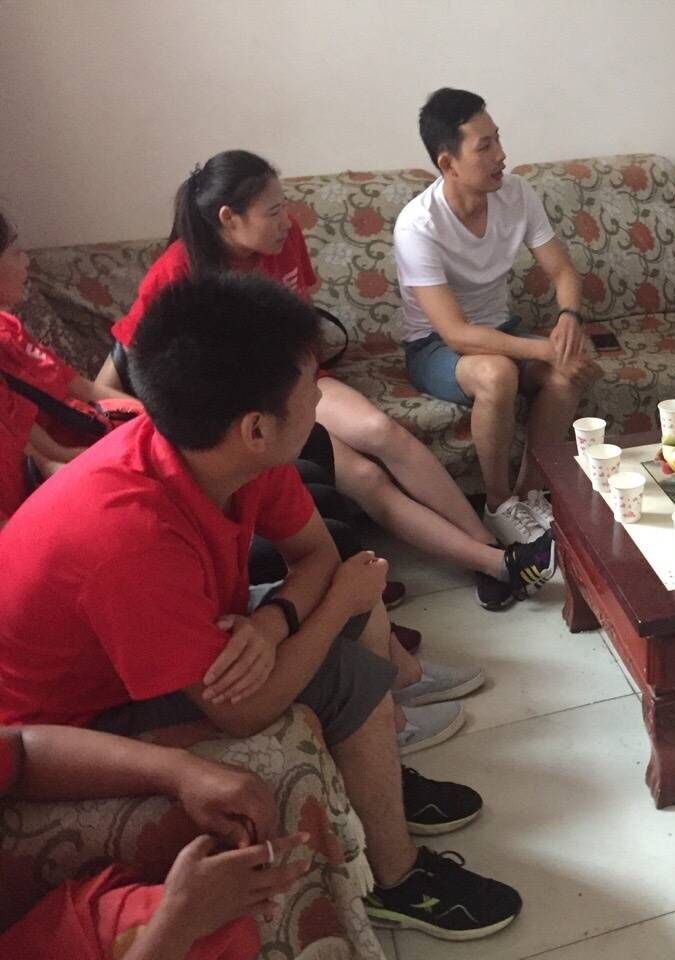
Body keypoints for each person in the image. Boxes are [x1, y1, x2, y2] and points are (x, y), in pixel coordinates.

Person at [0, 274, 523, 940]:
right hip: (68, 723)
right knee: (343, 653)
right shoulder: (127, 534)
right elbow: (241, 709)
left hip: (145, 651)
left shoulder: (228, 453)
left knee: (352, 597)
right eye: (310, 389)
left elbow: (317, 554)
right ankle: (399, 879)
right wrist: (331, 607)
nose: (320, 397)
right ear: (255, 427)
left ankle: (379, 776)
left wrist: (275, 621)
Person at [96, 150, 553, 611]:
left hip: (300, 384)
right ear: (229, 218)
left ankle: (487, 546)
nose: (286, 221)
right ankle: (494, 563)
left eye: (285, 207)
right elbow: (124, 360)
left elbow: (301, 320)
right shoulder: (178, 271)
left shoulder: (285, 238)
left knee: (381, 431)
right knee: (365, 477)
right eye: (272, 212)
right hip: (252, 414)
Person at [396, 87, 600, 544]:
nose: (501, 155)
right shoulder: (418, 225)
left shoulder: (516, 193)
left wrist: (569, 318)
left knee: (566, 374)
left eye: (498, 139)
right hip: (435, 346)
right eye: (484, 146)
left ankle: (529, 496)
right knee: (497, 374)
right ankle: (497, 504)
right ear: (448, 163)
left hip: (499, 329)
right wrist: (544, 350)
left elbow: (563, 271)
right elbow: (455, 333)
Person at [0, 724, 308, 959]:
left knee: (228, 927)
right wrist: (177, 925)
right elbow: (244, 713)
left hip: (60, 935)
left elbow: (21, 751)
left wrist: (181, 772)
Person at [0, 211, 137, 518]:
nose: (26, 262)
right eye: (16, 252)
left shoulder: (9, 327)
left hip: (84, 440)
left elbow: (80, 389)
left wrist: (150, 420)